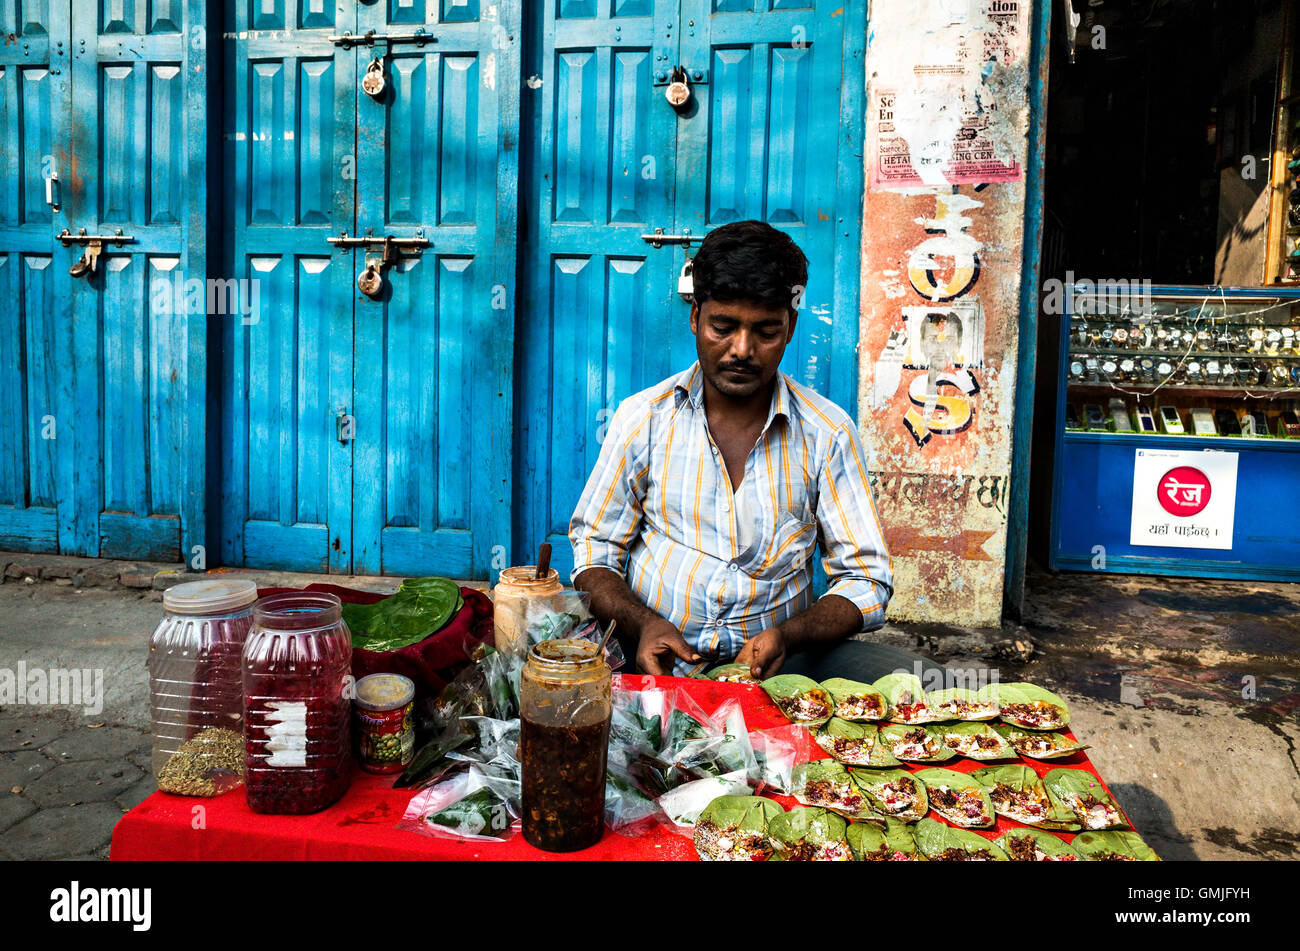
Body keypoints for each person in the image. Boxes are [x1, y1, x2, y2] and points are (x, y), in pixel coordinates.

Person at [569, 220, 935, 683]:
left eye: (765, 331)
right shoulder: (642, 418)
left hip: (779, 667)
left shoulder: (827, 433)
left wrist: (789, 635)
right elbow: (595, 553)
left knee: (925, 683)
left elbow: (867, 581)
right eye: (723, 326)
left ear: (790, 327)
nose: (742, 350)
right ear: (695, 317)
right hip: (650, 654)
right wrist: (643, 624)